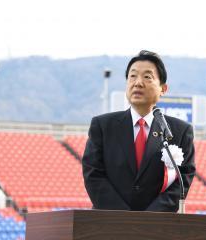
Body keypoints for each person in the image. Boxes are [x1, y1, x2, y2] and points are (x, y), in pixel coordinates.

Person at [82, 50, 195, 212]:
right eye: (132, 76)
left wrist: (148, 219)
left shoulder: (180, 131)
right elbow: (93, 174)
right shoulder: (103, 126)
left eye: (147, 77)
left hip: (156, 227)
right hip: (110, 224)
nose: (138, 83)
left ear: (163, 88)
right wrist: (124, 218)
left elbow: (184, 178)